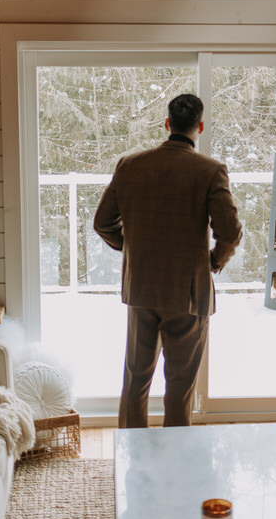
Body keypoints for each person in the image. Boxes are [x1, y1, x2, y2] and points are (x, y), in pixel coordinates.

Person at [93, 93, 242, 428]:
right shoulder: (210, 171)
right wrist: (212, 263)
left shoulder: (130, 165)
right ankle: (176, 466)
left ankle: (132, 459)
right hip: (187, 294)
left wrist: (133, 249)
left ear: (167, 123)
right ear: (199, 127)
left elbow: (102, 223)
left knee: (135, 378)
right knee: (180, 384)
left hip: (142, 289)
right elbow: (230, 233)